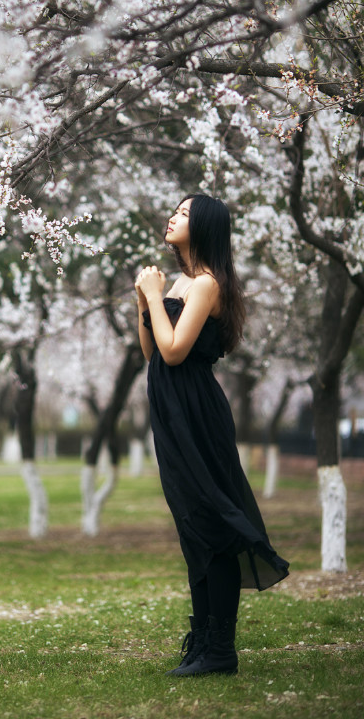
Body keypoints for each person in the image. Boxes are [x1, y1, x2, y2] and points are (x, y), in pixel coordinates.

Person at [135, 194, 289, 677]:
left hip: (196, 412)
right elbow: (151, 353)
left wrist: (158, 300)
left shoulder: (205, 284)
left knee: (214, 525)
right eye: (174, 211)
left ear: (203, 226)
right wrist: (144, 301)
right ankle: (202, 643)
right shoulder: (180, 281)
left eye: (182, 213)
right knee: (192, 526)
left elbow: (176, 352)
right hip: (173, 410)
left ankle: (220, 649)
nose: (172, 217)